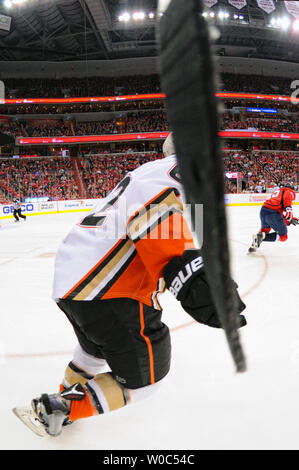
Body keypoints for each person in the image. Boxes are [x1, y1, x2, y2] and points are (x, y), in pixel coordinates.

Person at [15, 134, 246, 437]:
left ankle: (66, 398)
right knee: (147, 380)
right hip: (106, 286)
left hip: (73, 278)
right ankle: (59, 408)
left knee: (93, 351)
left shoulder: (145, 170)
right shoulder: (180, 174)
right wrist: (195, 282)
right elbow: (155, 215)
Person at [249, 184, 298, 253]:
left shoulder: (278, 192)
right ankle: (259, 237)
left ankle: (253, 246)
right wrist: (289, 213)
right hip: (273, 213)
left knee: (264, 231)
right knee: (283, 236)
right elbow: (286, 205)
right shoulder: (289, 192)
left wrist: (289, 220)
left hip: (263, 211)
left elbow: (279, 216)